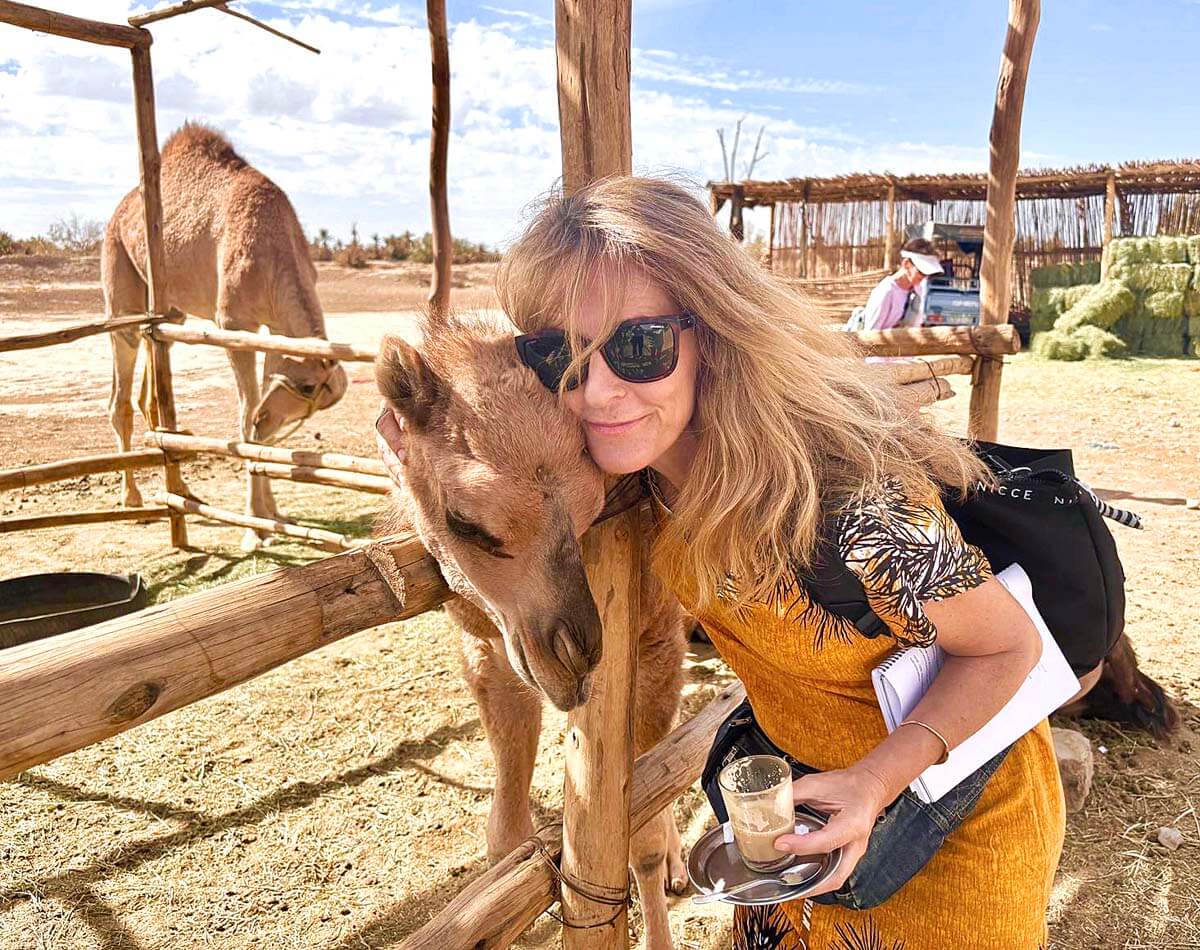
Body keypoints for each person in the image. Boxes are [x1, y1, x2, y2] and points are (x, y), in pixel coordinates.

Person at [380, 178, 1065, 949]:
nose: (598, 391)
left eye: (640, 347)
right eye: (558, 356)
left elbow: (1008, 645)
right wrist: (408, 441)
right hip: (793, 830)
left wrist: (874, 781)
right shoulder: (629, 475)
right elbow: (469, 451)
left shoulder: (840, 499)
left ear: (711, 333)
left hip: (943, 829)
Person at [851, 237, 943, 331]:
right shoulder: (886, 291)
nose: (925, 277)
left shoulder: (918, 290)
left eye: (928, 274)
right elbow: (871, 334)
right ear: (906, 264)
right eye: (922, 272)